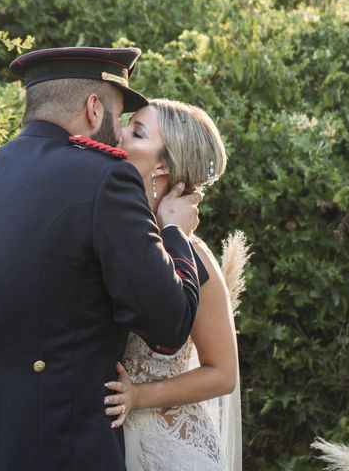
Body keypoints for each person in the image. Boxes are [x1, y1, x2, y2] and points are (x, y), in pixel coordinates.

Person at [0, 48, 206, 470]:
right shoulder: (106, 178)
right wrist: (176, 232)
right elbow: (169, 321)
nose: (120, 132)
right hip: (61, 449)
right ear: (93, 109)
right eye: (119, 115)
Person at [102, 99, 243, 470]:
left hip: (166, 446)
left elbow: (223, 373)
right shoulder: (112, 233)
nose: (120, 132)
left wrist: (139, 395)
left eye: (137, 131)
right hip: (105, 440)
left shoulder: (194, 256)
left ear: (163, 164)